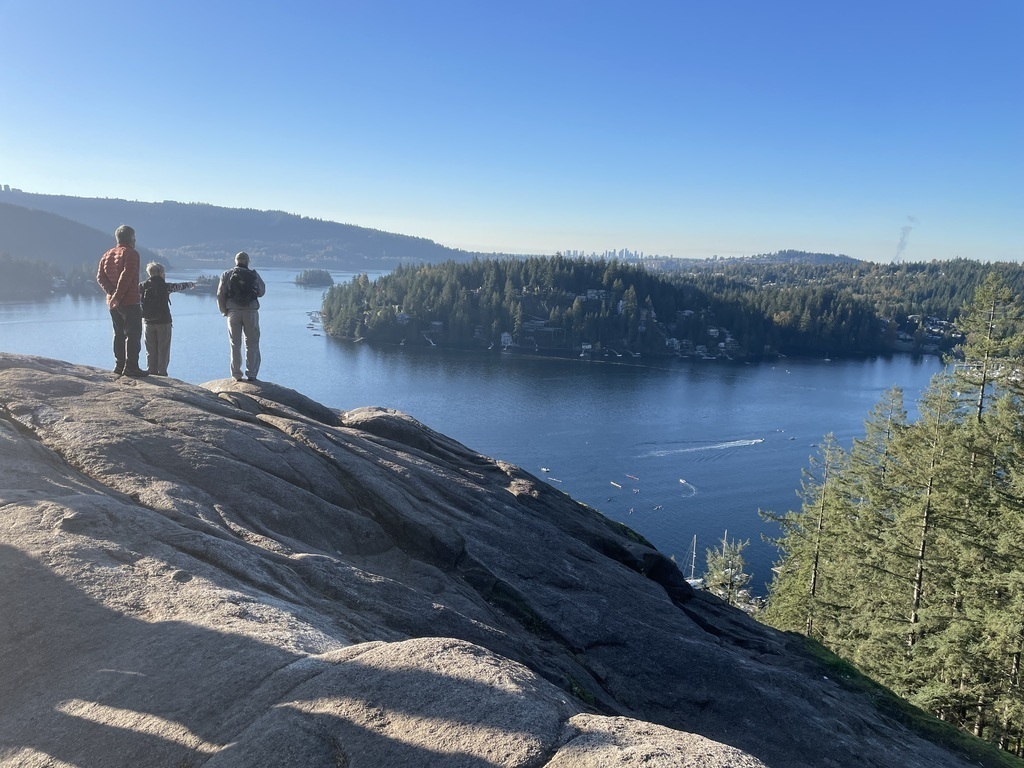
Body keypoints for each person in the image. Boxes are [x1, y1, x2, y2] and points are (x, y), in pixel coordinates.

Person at [96, 225, 147, 377]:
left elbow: (100, 277)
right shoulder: (131, 254)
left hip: (113, 303)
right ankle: (131, 367)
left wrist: (112, 294)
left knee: (118, 334)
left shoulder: (107, 254)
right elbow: (127, 275)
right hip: (130, 300)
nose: (136, 240)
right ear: (130, 238)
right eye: (134, 236)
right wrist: (118, 296)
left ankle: (119, 366)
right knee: (133, 334)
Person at [139, 262, 196, 376]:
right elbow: (179, 286)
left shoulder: (142, 286)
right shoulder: (165, 286)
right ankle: (162, 372)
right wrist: (190, 284)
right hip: (163, 321)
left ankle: (151, 371)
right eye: (163, 272)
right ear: (160, 273)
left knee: (150, 349)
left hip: (148, 322)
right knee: (163, 349)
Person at [216, 251, 266, 381]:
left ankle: (237, 374)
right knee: (252, 344)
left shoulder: (227, 274)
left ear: (235, 261)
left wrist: (224, 311)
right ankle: (252, 374)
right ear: (247, 262)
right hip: (251, 313)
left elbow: (220, 295)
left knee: (235, 344)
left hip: (233, 312)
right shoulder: (253, 275)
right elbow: (262, 292)